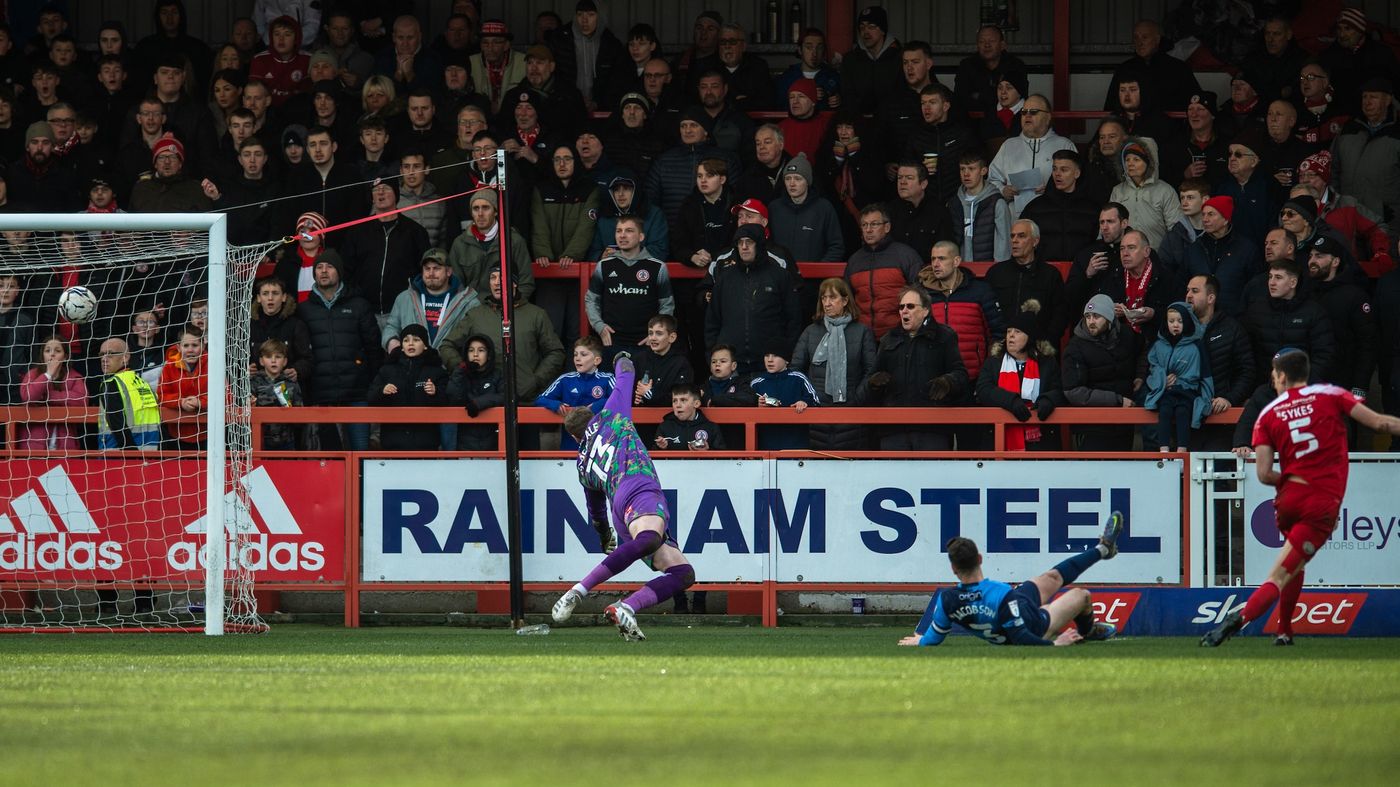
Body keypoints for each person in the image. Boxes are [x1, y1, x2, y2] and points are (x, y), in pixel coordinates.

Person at [1203, 349, 1400, 647]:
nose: (1273, 379)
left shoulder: (1268, 413)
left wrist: (1291, 481)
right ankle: (1239, 619)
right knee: (1279, 575)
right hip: (1319, 503)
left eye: (1274, 374)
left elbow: (1264, 474)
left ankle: (1284, 631)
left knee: (1293, 564)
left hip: (1288, 501)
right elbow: (1380, 424)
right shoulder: (1331, 394)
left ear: (1282, 376)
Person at [550, 353, 698, 641]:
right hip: (639, 486)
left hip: (620, 512)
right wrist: (621, 357)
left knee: (683, 573)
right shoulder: (610, 415)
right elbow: (626, 373)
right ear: (592, 417)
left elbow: (595, 511)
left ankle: (626, 607)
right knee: (651, 540)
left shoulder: (582, 463)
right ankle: (578, 589)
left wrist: (605, 537)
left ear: (576, 438)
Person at [900, 516, 1124, 648]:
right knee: (1081, 595)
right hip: (1034, 625)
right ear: (980, 559)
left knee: (1051, 577)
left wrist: (921, 641)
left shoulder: (947, 600)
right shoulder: (999, 592)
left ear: (953, 569)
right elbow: (1021, 637)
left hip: (1015, 604)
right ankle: (1087, 630)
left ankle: (1103, 549)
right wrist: (1055, 644)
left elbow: (934, 637)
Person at [867, 286, 968, 450]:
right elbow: (870, 382)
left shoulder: (944, 336)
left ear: (925, 310)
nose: (904, 311)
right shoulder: (888, 339)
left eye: (910, 306)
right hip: (894, 429)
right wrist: (874, 382)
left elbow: (961, 374)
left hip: (932, 429)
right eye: (901, 307)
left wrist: (948, 382)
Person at [791, 277, 877, 450]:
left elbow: (871, 370)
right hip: (816, 410)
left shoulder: (862, 332)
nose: (827, 303)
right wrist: (807, 398)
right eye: (823, 298)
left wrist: (856, 399)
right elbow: (795, 369)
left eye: (832, 297)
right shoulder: (810, 331)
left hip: (851, 409)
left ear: (845, 301)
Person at [976, 311, 1064, 452]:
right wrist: (1011, 401)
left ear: (1030, 337)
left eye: (1017, 331)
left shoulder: (1047, 363)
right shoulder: (994, 362)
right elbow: (984, 390)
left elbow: (1060, 390)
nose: (1011, 335)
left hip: (1040, 441)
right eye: (1009, 331)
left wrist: (1048, 400)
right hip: (1000, 440)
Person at [988, 94, 1076, 219]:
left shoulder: (1064, 145)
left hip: (1053, 217)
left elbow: (1078, 182)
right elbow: (992, 180)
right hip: (1015, 220)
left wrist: (1052, 191)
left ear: (1047, 117)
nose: (1027, 116)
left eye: (1033, 112)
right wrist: (1003, 190)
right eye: (1024, 112)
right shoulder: (1009, 146)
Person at [367, 323, 449, 451]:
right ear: (401, 347)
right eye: (406, 340)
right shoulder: (387, 370)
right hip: (393, 443)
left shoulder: (437, 371)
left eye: (416, 340)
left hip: (426, 444)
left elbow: (449, 400)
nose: (410, 344)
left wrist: (435, 392)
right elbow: (370, 398)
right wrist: (382, 391)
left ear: (425, 345)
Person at [1144, 303, 1213, 452]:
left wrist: (1207, 397)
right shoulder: (1159, 345)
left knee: (1183, 413)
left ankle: (1182, 452)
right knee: (1165, 412)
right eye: (1171, 321)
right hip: (1167, 390)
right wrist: (1162, 379)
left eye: (1180, 321)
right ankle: (1163, 452)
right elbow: (1152, 367)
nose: (1175, 325)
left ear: (1187, 322)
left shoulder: (1196, 345)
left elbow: (1205, 373)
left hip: (1188, 390)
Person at [537, 335, 615, 451]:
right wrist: (555, 404)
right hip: (570, 445)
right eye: (575, 354)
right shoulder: (565, 379)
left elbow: (620, 398)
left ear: (597, 360)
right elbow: (540, 399)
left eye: (583, 354)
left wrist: (597, 405)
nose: (578, 358)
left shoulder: (608, 379)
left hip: (600, 445)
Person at [17, 335, 87, 450]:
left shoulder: (74, 376)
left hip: (65, 446)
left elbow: (82, 400)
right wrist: (48, 374)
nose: (52, 354)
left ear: (65, 357)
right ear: (42, 356)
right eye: (47, 351)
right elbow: (28, 396)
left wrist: (48, 396)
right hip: (34, 446)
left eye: (58, 351)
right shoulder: (32, 374)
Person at [1109, 137, 1181, 248]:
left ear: (1149, 163)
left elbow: (1176, 228)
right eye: (1127, 160)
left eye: (1136, 159)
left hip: (1157, 254)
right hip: (1125, 254)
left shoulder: (1165, 191)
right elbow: (1109, 225)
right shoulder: (1117, 191)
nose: (1130, 163)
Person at [446, 333, 506, 451]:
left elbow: (506, 396)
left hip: (494, 444)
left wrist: (478, 403)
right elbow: (453, 397)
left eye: (481, 350)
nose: (475, 354)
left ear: (489, 355)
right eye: (471, 350)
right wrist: (460, 370)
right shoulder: (461, 374)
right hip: (465, 445)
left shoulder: (498, 374)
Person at [948, 150, 1010, 262]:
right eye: (962, 169)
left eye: (971, 169)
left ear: (983, 171)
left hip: (987, 268)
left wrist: (999, 269)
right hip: (959, 267)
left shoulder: (997, 203)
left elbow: (1003, 242)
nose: (966, 174)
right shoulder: (954, 202)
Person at [157, 324, 208, 450]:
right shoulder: (169, 366)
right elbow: (162, 395)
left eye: (195, 345)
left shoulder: (214, 364)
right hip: (174, 433)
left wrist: (200, 402)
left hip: (208, 433)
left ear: (203, 346)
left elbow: (226, 396)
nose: (190, 350)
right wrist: (181, 402)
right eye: (186, 346)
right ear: (179, 348)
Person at [251, 338, 304, 451]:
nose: (273, 360)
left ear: (285, 361)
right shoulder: (254, 382)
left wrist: (290, 409)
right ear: (261, 361)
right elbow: (245, 414)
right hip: (260, 441)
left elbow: (300, 418)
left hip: (287, 441)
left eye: (278, 357)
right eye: (268, 357)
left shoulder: (292, 384)